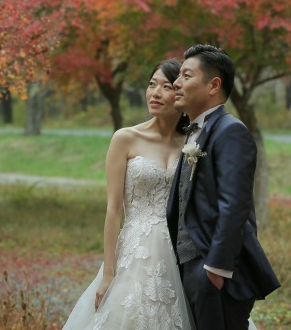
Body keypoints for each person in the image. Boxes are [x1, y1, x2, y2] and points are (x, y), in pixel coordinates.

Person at [63, 58, 194, 329]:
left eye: (166, 86)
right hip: (136, 252)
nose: (155, 93)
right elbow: (113, 209)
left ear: (181, 93)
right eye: (151, 84)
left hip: (183, 251)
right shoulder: (125, 138)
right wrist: (108, 273)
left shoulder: (193, 143)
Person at [167, 45, 280, 330]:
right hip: (190, 267)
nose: (176, 83)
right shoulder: (196, 131)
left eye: (186, 75)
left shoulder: (231, 131)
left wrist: (215, 270)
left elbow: (235, 205)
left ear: (213, 85)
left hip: (213, 272)